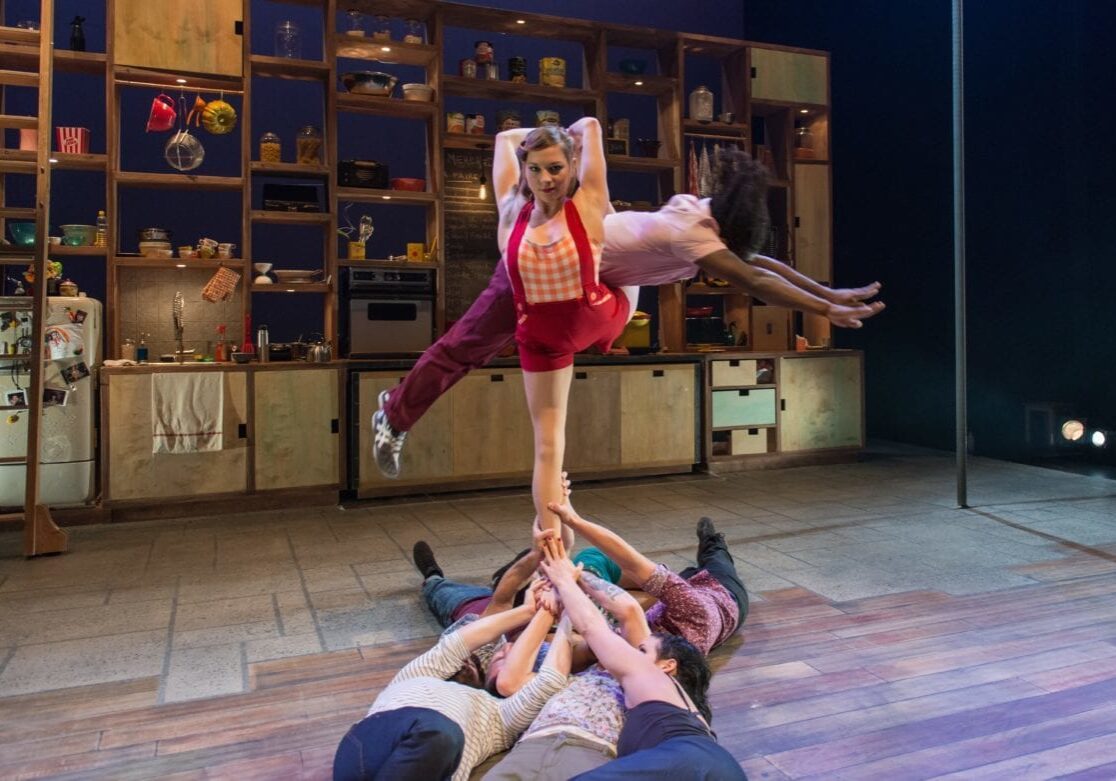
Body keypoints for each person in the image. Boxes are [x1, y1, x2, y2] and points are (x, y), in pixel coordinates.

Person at [372, 149, 884, 479]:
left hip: (586, 285)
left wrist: (830, 293)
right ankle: (394, 413)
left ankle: (582, 341)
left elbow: (761, 264)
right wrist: (825, 309)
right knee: (462, 350)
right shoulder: (694, 233)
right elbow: (754, 280)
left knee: (591, 320)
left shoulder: (703, 213)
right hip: (535, 272)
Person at [489, 119, 636, 539]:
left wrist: (538, 136)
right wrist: (563, 134)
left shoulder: (510, 213)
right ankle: (554, 542)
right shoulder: (588, 202)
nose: (545, 179)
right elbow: (589, 124)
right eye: (534, 169)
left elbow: (504, 138)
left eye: (555, 168)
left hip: (563, 325)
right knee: (548, 446)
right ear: (525, 170)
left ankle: (554, 554)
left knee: (615, 231)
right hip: (579, 322)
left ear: (572, 165)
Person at [537, 534, 746, 780]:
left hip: (693, 760)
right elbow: (625, 614)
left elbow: (595, 626)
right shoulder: (672, 703)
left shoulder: (659, 681)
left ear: (668, 666)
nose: (631, 651)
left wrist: (566, 579)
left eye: (642, 650)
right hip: (710, 765)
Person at [332, 582, 572, 781]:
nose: (506, 650)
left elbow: (549, 681)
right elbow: (460, 641)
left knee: (442, 733)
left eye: (512, 656)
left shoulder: (502, 718)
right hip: (372, 749)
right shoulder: (420, 674)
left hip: (428, 768)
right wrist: (528, 610)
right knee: (436, 730)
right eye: (502, 650)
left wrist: (566, 616)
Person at [483, 546, 655, 780]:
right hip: (530, 748)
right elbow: (509, 682)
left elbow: (629, 612)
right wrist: (558, 595)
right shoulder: (558, 681)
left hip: (589, 751)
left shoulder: (633, 680)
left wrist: (567, 581)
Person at [551, 505, 745, 656]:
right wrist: (574, 520)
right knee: (715, 557)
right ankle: (712, 542)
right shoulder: (694, 611)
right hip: (723, 593)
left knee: (595, 562)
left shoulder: (641, 653)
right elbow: (631, 562)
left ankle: (666, 577)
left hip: (681, 605)